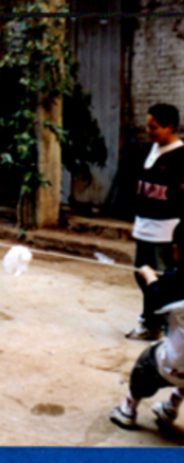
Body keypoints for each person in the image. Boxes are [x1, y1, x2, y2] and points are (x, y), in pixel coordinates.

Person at [110, 224, 184, 430]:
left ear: (176, 251)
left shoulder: (174, 280)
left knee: (146, 362)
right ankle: (171, 407)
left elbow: (155, 299)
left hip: (170, 365)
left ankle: (128, 410)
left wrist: (148, 274)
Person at [126, 104, 184, 341]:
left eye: (154, 127)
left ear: (170, 127)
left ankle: (159, 325)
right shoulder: (150, 150)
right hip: (144, 225)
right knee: (141, 273)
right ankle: (152, 320)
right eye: (148, 126)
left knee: (162, 280)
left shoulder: (181, 156)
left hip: (166, 229)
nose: (149, 131)